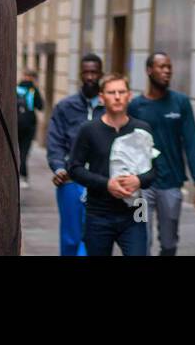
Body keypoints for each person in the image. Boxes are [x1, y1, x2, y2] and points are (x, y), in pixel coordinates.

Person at [67, 73, 158, 256]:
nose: (117, 97)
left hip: (134, 213)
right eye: (111, 92)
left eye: (121, 92)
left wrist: (138, 181)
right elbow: (74, 169)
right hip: (99, 213)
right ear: (102, 97)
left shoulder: (142, 129)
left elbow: (154, 171)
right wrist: (106, 184)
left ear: (129, 95)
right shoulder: (89, 130)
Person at [128, 52, 195, 256]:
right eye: (161, 67)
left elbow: (191, 144)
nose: (167, 71)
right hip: (140, 187)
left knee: (170, 243)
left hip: (171, 183)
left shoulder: (181, 103)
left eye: (169, 67)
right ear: (149, 70)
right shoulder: (135, 106)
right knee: (139, 238)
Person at [47, 54, 105, 256]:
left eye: (94, 72)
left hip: (99, 181)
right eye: (86, 72)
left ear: (101, 74)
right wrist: (59, 168)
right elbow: (55, 142)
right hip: (71, 180)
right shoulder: (65, 107)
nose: (90, 77)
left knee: (94, 236)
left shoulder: (109, 107)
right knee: (71, 238)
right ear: (81, 74)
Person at [15, 69, 45, 189]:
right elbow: (40, 106)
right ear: (33, 78)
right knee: (24, 151)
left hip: (16, 123)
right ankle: (23, 176)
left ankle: (14, 174)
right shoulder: (33, 90)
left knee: (15, 149)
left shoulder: (16, 89)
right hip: (29, 125)